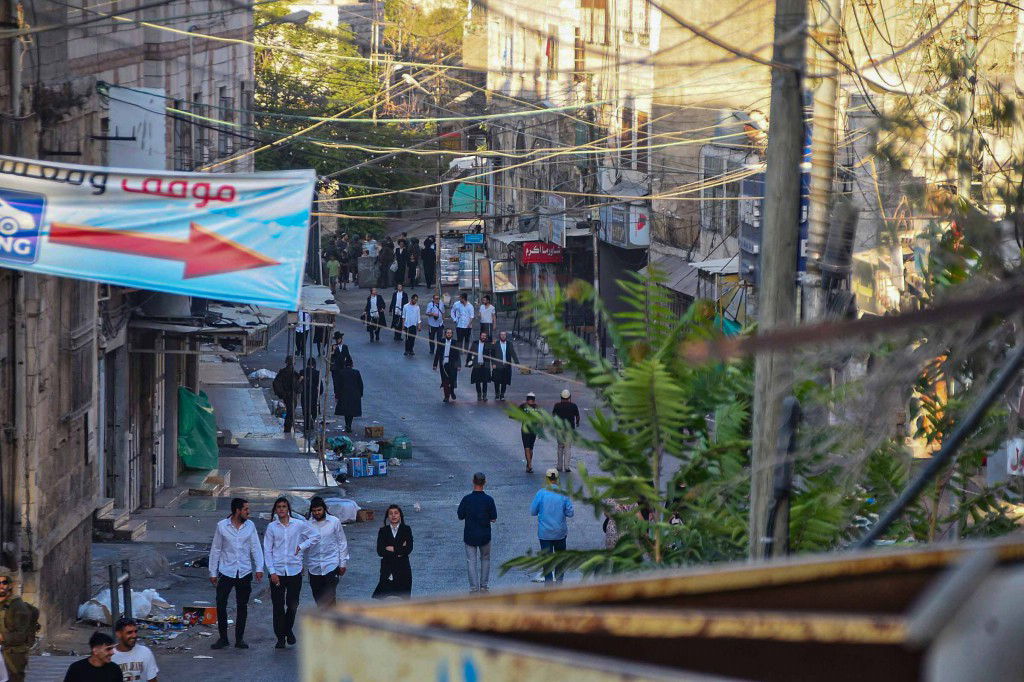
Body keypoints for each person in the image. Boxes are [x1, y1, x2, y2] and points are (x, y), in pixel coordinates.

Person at [208, 497, 264, 650]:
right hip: (226, 571)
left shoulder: (250, 526)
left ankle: (239, 639)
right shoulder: (222, 526)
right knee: (221, 603)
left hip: (244, 571)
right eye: (246, 509)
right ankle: (223, 638)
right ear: (237, 510)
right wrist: (213, 571)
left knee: (242, 605)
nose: (248, 512)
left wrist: (259, 568)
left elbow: (255, 548)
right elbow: (216, 549)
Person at [264, 497, 319, 649]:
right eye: (278, 507)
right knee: (278, 606)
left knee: (293, 604)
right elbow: (267, 551)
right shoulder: (272, 528)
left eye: (284, 506)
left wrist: (302, 546)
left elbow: (315, 536)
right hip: (278, 571)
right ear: (275, 510)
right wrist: (272, 572)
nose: (281, 509)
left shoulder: (299, 524)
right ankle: (281, 638)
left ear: (288, 509)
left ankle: (287, 629)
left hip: (294, 570)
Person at [530, 470, 575, 583]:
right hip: (560, 533)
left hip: (545, 533)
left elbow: (533, 511)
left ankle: (549, 585)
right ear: (558, 479)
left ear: (546, 479)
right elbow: (570, 513)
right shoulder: (563, 493)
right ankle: (559, 582)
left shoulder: (540, 493)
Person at [304, 497, 348, 608]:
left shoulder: (334, 521)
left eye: (319, 510)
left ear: (324, 509)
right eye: (314, 511)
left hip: (331, 565)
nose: (317, 513)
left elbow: (342, 542)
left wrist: (342, 563)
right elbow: (303, 545)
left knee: (330, 598)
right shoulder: (307, 525)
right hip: (314, 568)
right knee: (319, 600)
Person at [457, 473, 498, 593]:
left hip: (469, 535)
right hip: (485, 534)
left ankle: (474, 588)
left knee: (471, 561)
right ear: (485, 482)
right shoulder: (489, 500)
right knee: (485, 559)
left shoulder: (466, 499)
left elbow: (460, 516)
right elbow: (494, 518)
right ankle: (484, 586)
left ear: (473, 482)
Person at [0, 569, 36, 682]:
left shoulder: (18, 607)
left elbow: (21, 635)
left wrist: (2, 637)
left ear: (10, 585)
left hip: (12, 655)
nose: (1, 586)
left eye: (4, 583)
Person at [372, 505, 413, 599]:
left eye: (396, 513)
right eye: (391, 513)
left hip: (403, 570)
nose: (393, 516)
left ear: (400, 515)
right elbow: (380, 551)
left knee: (404, 601)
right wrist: (400, 549)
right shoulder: (383, 531)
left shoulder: (406, 529)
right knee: (381, 600)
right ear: (387, 516)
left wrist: (392, 548)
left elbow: (408, 549)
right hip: (388, 570)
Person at [111, 617, 159, 682]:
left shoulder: (145, 652)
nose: (134, 635)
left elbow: (152, 680)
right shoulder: (109, 655)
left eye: (135, 631)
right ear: (118, 634)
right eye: (129, 632)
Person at [552, 389, 581, 472]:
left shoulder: (557, 405)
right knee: (567, 448)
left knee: (560, 447)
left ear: (561, 397)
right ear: (569, 397)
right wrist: (577, 423)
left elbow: (553, 416)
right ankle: (567, 467)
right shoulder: (573, 406)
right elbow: (577, 417)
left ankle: (559, 466)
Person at [334, 358, 363, 433]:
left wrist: (337, 396)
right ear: (352, 365)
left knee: (346, 411)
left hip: (344, 394)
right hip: (354, 394)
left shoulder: (341, 372)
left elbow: (338, 385)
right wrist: (360, 394)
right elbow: (360, 384)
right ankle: (349, 424)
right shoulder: (356, 372)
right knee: (351, 411)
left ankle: (347, 424)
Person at [433, 328, 461, 403]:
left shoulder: (455, 342)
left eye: (450, 333)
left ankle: (452, 391)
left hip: (452, 364)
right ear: (445, 334)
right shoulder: (441, 342)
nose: (449, 334)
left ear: (452, 334)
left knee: (452, 380)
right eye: (447, 333)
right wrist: (435, 364)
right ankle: (446, 396)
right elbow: (437, 353)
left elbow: (458, 354)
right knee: (445, 381)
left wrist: (459, 365)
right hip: (443, 364)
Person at [516, 392, 541, 473]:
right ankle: (529, 464)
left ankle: (529, 464)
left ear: (527, 399)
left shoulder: (523, 406)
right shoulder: (537, 407)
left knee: (526, 448)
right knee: (530, 448)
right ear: (534, 400)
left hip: (525, 429)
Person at [490, 331, 518, 401]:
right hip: (497, 365)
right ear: (499, 336)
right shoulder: (495, 344)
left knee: (504, 381)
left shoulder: (509, 344)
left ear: (506, 336)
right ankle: (497, 394)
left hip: (506, 366)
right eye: (501, 335)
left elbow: (513, 353)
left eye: (504, 335)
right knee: (496, 381)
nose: (503, 336)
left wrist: (517, 363)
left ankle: (502, 394)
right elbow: (492, 354)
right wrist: (493, 363)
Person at [467, 331, 493, 401]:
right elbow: (470, 353)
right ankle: (479, 395)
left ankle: (484, 396)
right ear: (480, 336)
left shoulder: (488, 344)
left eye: (485, 336)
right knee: (477, 381)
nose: (483, 337)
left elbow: (493, 354)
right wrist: (468, 362)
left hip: (485, 365)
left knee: (485, 381)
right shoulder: (475, 343)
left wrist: (494, 364)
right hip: (476, 364)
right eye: (482, 336)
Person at [300, 357, 323, 435]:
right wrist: (319, 393)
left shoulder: (302, 372)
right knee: (314, 409)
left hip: (304, 394)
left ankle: (307, 423)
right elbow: (321, 387)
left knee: (305, 409)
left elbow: (299, 384)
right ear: (314, 365)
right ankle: (313, 419)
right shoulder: (317, 373)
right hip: (314, 394)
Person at [329, 332, 352, 396]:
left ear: (341, 339)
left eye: (338, 339)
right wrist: (332, 352)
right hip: (335, 367)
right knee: (336, 382)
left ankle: (342, 392)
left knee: (343, 380)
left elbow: (348, 356)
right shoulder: (333, 346)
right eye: (336, 339)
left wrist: (350, 363)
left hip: (343, 367)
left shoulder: (345, 347)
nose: (337, 340)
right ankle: (336, 394)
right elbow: (329, 357)